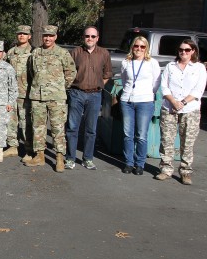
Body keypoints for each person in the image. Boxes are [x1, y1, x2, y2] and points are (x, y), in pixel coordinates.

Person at [25, 25, 77, 172]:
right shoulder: (36, 53)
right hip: (37, 96)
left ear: (55, 37)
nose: (47, 38)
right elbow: (31, 72)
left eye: (51, 36)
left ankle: (59, 157)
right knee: (38, 127)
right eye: (45, 36)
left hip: (56, 97)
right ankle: (39, 155)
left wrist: (60, 87)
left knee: (58, 128)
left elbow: (71, 72)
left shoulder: (62, 53)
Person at [156, 40, 206, 184]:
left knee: (188, 142)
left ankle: (185, 171)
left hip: (190, 109)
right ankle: (166, 169)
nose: (183, 52)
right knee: (167, 140)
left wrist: (182, 103)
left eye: (187, 50)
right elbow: (164, 87)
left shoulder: (199, 68)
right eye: (181, 50)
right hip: (169, 108)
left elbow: (198, 90)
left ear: (193, 51)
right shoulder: (170, 67)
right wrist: (173, 102)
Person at [64, 26, 112, 170]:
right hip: (76, 93)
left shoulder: (104, 53)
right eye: (87, 36)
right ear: (83, 37)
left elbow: (107, 74)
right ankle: (70, 158)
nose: (89, 39)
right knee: (72, 128)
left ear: (97, 38)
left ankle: (88, 158)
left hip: (95, 95)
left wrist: (98, 86)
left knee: (91, 129)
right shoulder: (75, 52)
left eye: (92, 36)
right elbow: (68, 72)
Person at [119, 36, 161, 175]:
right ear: (132, 47)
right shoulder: (126, 62)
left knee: (141, 135)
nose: (139, 49)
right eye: (136, 46)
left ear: (146, 48)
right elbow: (125, 80)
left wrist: (148, 94)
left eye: (142, 47)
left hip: (145, 101)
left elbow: (156, 82)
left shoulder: (152, 63)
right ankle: (128, 163)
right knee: (127, 134)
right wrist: (129, 92)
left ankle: (140, 164)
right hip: (127, 101)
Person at [6, 25, 33, 161]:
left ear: (29, 36)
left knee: (25, 122)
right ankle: (12, 146)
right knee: (11, 121)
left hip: (26, 93)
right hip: (11, 93)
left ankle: (29, 149)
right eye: (19, 33)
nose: (21, 36)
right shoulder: (11, 52)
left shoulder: (34, 52)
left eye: (25, 34)